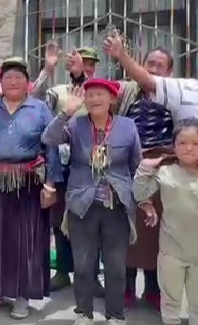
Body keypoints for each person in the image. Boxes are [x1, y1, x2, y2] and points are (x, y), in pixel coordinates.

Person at [104, 31, 198, 324]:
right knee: (140, 232)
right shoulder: (181, 90)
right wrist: (119, 57)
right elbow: (111, 97)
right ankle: (145, 294)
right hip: (150, 169)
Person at [42, 78, 141, 325]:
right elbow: (49, 138)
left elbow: (136, 165)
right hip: (81, 203)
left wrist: (141, 200)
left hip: (116, 204)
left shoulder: (127, 126)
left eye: (100, 94)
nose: (95, 99)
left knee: (115, 266)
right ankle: (83, 312)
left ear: (112, 99)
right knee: (83, 264)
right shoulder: (75, 125)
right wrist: (66, 113)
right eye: (90, 95)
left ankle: (115, 315)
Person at [0, 57, 60, 320]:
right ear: (1, 82)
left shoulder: (40, 109)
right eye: (8, 77)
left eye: (19, 77)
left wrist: (50, 185)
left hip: (27, 184)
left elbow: (51, 147)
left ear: (27, 82)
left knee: (25, 242)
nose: (13, 81)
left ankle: (22, 295)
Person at [133, 119, 198, 325]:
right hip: (171, 252)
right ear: (174, 145)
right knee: (170, 304)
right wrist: (145, 167)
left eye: (195, 143)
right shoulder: (165, 172)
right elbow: (141, 192)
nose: (188, 148)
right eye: (182, 143)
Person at [40, 47, 104, 295]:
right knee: (60, 220)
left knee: (92, 221)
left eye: (89, 64)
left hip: (92, 165)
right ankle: (63, 271)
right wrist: (49, 69)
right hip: (60, 164)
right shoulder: (58, 92)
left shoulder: (102, 92)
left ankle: (91, 276)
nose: (85, 68)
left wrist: (81, 77)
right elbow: (37, 103)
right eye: (80, 64)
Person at [116, 47, 175, 310]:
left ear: (169, 72)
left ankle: (153, 288)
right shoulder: (127, 92)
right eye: (149, 63)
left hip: (162, 165)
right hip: (130, 164)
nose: (152, 68)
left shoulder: (174, 94)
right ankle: (126, 287)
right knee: (127, 227)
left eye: (160, 65)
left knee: (155, 230)